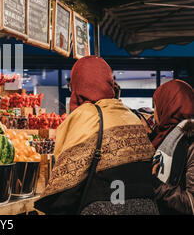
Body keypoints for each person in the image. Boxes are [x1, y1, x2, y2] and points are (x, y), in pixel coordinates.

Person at [34, 56, 158, 215]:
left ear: (78, 85)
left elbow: (65, 184)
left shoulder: (86, 115)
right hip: (147, 207)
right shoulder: (130, 115)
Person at [150, 79, 194, 215]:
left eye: (156, 106)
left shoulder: (190, 141)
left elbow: (191, 203)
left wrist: (156, 185)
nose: (154, 112)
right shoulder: (161, 136)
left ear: (167, 106)